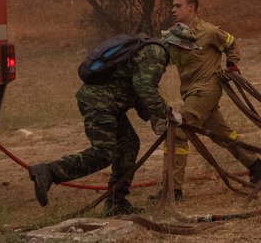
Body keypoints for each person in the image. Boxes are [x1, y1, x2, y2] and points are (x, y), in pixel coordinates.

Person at [27, 34, 177, 216]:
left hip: (109, 102)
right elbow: (145, 89)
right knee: (104, 152)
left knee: (129, 144)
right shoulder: (157, 53)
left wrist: (153, 116)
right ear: (179, 47)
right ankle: (50, 171)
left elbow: (134, 87)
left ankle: (116, 202)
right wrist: (167, 113)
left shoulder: (149, 51)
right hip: (100, 102)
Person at [162, 0, 261, 200]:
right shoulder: (175, 36)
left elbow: (231, 43)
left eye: (178, 6)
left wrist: (232, 64)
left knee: (177, 130)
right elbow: (162, 57)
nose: (173, 10)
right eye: (173, 6)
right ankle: (257, 166)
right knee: (222, 133)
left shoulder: (209, 31)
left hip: (206, 90)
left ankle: (172, 190)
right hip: (191, 92)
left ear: (191, 8)